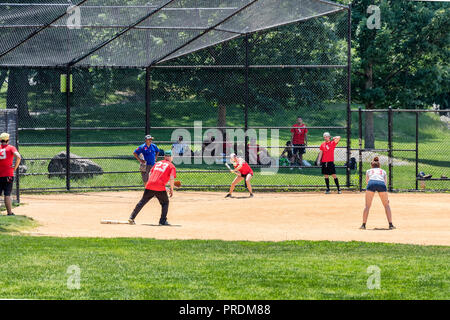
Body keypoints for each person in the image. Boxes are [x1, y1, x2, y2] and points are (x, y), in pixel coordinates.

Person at [128, 150, 176, 226]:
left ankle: (131, 217)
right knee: (165, 203)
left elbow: (150, 172)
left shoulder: (158, 163)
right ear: (171, 157)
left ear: (164, 157)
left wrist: (153, 183)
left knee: (142, 202)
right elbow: (172, 178)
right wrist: (171, 189)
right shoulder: (171, 166)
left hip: (150, 184)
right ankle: (162, 221)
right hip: (159, 186)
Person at [360, 157, 395, 230]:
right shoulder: (383, 171)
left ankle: (363, 225)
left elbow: (367, 182)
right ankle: (390, 224)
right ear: (379, 166)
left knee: (367, 206)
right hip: (381, 184)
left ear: (372, 165)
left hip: (371, 183)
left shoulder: (369, 171)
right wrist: (386, 197)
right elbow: (385, 183)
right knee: (386, 205)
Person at [0, 132, 21, 216]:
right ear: (8, 140)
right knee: (7, 194)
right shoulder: (11, 148)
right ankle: (9, 212)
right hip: (8, 174)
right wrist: (15, 167)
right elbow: (18, 156)